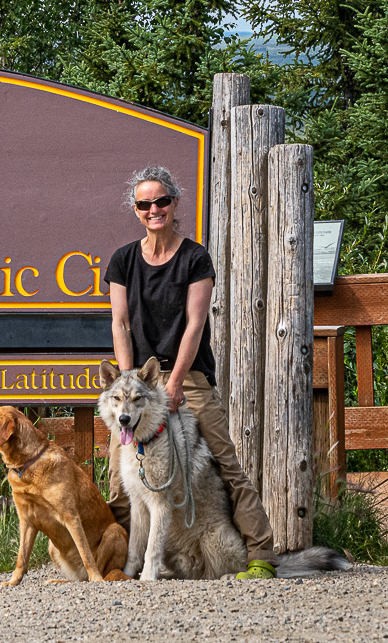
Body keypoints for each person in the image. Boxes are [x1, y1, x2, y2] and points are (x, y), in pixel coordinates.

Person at [103, 165, 279, 580]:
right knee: (118, 475)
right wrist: (129, 381)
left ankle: (261, 556)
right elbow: (121, 324)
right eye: (145, 204)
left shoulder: (194, 257)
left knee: (225, 462)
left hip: (188, 376)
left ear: (175, 203)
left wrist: (178, 380)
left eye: (161, 201)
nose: (154, 209)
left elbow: (195, 323)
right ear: (136, 209)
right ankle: (120, 563)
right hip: (140, 383)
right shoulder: (123, 259)